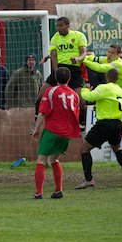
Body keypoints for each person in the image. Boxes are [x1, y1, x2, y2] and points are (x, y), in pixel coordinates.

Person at [75, 68, 122, 189]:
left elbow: (89, 97)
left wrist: (85, 88)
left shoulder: (103, 87)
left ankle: (89, 180)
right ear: (118, 79)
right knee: (117, 148)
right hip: (118, 123)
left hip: (105, 123)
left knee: (84, 148)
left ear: (107, 77)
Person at [31, 67, 80, 199]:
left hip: (53, 130)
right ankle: (58, 190)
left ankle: (38, 192)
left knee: (41, 160)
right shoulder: (75, 95)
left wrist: (36, 129)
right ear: (69, 79)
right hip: (66, 133)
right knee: (54, 159)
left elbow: (42, 112)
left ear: (55, 78)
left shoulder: (51, 92)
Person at [36, 17, 88, 127]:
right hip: (60, 69)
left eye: (61, 25)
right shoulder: (55, 38)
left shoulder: (79, 36)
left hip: (74, 70)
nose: (58, 28)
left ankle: (82, 124)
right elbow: (54, 56)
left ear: (67, 25)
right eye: (57, 26)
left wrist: (78, 59)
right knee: (40, 95)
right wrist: (56, 72)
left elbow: (83, 53)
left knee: (81, 101)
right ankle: (36, 121)